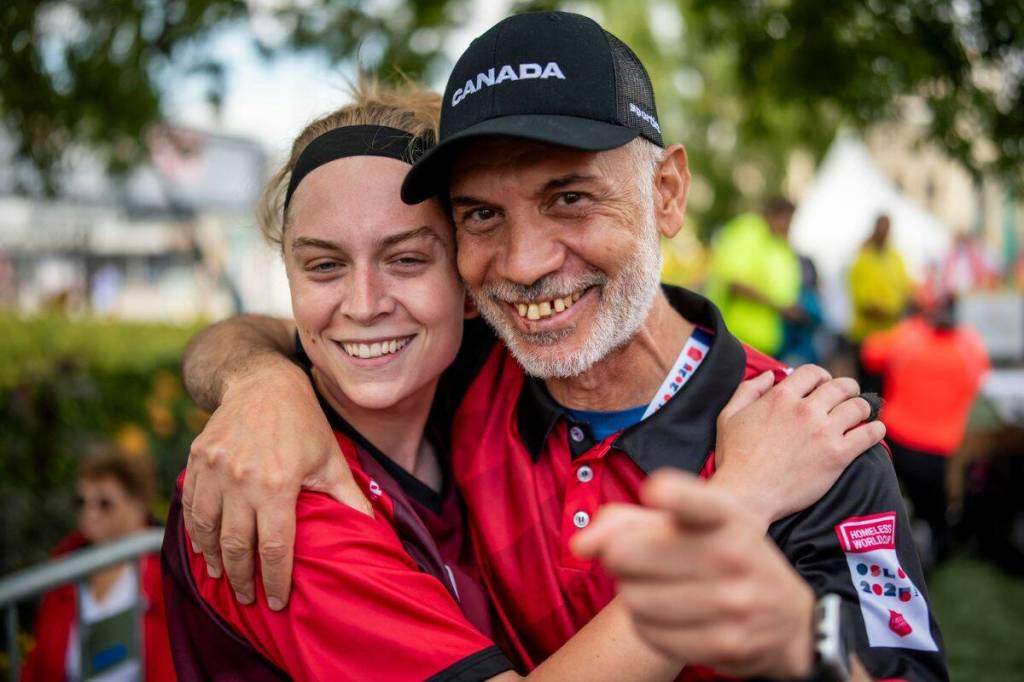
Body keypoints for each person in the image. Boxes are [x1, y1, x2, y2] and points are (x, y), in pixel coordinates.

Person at [180, 12, 946, 681]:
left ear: (667, 193)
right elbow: (288, 337)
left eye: (570, 198)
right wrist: (258, 383)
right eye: (481, 216)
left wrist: (802, 646)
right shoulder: (463, 371)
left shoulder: (810, 438)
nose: (522, 263)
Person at [21, 449, 174, 682]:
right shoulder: (63, 576)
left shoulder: (167, 575)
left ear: (137, 505)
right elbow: (38, 665)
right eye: (81, 501)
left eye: (104, 503)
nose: (89, 512)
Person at [860, 297, 991, 568]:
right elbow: (980, 376)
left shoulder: (909, 336)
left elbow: (870, 352)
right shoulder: (970, 346)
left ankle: (914, 546)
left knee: (897, 502)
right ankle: (937, 548)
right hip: (940, 448)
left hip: (898, 440)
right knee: (935, 508)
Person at [705, 198, 801, 357]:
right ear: (772, 214)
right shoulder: (748, 231)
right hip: (734, 338)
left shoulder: (780, 245)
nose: (788, 226)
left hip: (766, 345)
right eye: (786, 219)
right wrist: (778, 306)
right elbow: (734, 283)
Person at [847, 214, 912, 393]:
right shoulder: (862, 258)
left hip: (890, 339)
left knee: (886, 391)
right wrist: (890, 312)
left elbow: (905, 290)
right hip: (866, 336)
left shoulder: (896, 258)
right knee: (867, 391)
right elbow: (862, 302)